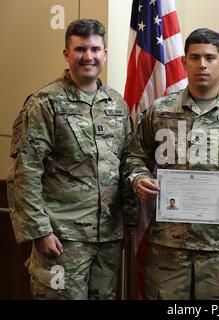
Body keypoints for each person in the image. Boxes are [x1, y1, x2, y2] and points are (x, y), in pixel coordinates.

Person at [123, 28, 219, 300]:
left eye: (210, 57)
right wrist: (138, 178)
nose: (202, 65)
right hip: (168, 247)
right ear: (183, 62)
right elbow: (134, 156)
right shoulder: (160, 111)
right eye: (194, 57)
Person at [7, 19, 138, 299]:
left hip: (108, 240)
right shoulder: (45, 103)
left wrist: (129, 221)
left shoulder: (117, 105)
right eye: (79, 50)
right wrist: (39, 231)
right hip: (62, 239)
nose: (88, 57)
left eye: (95, 49)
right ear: (67, 54)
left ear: (105, 54)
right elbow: (25, 172)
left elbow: (127, 161)